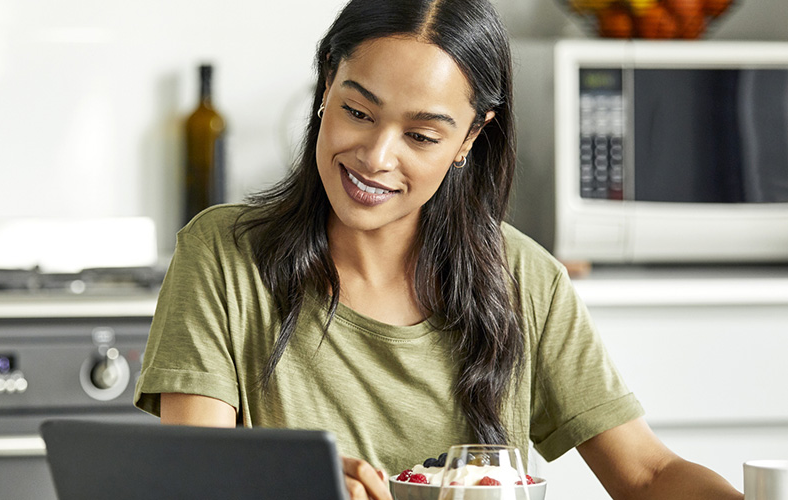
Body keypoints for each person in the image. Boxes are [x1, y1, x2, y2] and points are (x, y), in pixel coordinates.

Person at [133, 0, 743, 499]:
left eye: (421, 134)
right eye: (357, 111)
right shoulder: (223, 253)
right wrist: (284, 484)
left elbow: (647, 474)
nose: (376, 157)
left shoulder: (526, 278)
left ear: (470, 138)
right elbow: (197, 474)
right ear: (325, 86)